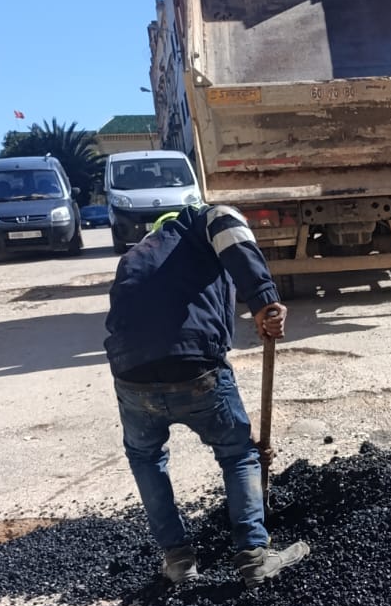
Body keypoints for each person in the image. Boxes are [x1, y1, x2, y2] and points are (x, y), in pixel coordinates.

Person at [103, 203, 310, 585]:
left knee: (146, 458)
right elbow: (228, 223)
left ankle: (179, 560)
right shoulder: (203, 221)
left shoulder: (135, 256)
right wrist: (264, 300)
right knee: (238, 454)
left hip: (131, 376)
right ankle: (253, 554)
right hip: (195, 367)